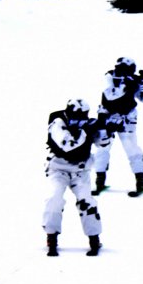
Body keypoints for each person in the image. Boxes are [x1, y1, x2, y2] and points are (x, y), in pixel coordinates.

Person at [43, 99, 103, 257]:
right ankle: (51, 236)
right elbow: (67, 145)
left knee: (86, 201)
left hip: (80, 171)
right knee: (54, 198)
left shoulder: (86, 125)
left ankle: (94, 238)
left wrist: (104, 130)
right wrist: (86, 130)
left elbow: (102, 143)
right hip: (58, 169)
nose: (78, 122)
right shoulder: (58, 122)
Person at [92, 57, 143, 197]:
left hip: (127, 118)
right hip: (107, 117)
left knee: (131, 148)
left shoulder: (131, 80)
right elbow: (111, 95)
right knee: (102, 148)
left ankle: (140, 181)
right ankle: (99, 180)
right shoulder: (109, 77)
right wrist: (130, 83)